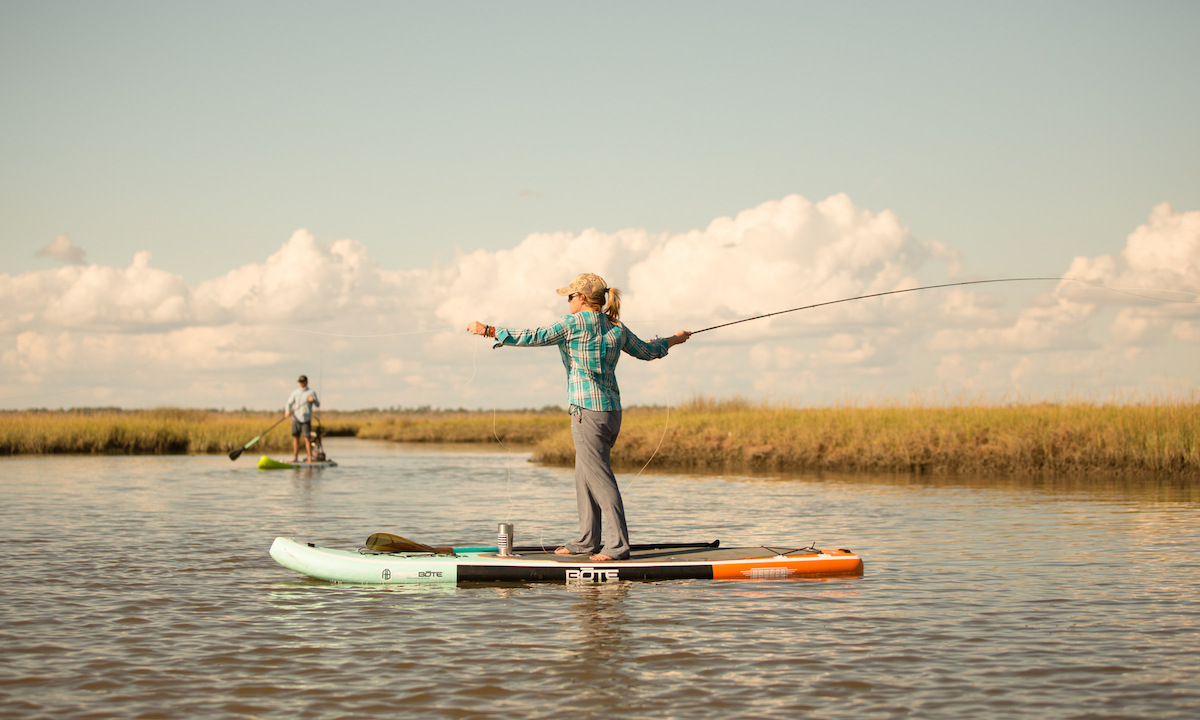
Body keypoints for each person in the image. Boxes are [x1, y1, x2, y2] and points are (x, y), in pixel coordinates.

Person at [467, 273, 691, 562]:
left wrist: (489, 331)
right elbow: (648, 351)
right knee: (584, 475)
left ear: (583, 299)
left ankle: (617, 547)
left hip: (587, 413)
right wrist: (675, 339)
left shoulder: (571, 323)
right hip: (611, 413)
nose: (568, 300)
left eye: (570, 296)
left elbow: (532, 337)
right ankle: (587, 540)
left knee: (599, 479)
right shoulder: (616, 327)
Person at [284, 374, 320, 463]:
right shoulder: (295, 393)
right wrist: (287, 412)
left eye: (303, 382)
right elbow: (288, 403)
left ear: (306, 382)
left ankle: (309, 458)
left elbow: (318, 405)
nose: (301, 383)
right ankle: (295, 457)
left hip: (306, 419)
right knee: (295, 438)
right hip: (296, 418)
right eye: (300, 382)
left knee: (306, 438)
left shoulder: (311, 392)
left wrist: (314, 400)